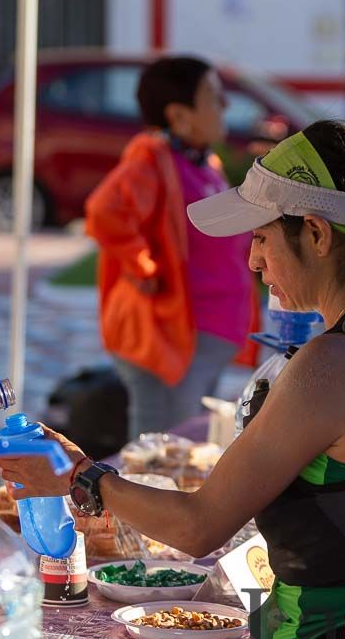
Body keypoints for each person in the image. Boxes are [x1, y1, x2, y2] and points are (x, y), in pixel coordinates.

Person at [0, 121, 345, 639]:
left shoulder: (330, 367)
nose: (253, 262)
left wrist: (80, 476)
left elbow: (199, 525)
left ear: (318, 236)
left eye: (262, 238)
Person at [85, 55, 256, 439]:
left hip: (206, 336)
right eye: (213, 96)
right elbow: (104, 211)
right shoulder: (151, 161)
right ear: (180, 116)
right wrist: (142, 266)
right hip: (170, 339)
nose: (224, 105)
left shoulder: (201, 161)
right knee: (161, 454)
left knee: (191, 446)